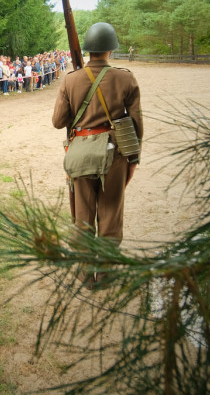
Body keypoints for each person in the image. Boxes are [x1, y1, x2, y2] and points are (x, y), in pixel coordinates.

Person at [52, 22, 143, 274]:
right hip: (115, 155)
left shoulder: (71, 79)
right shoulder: (125, 78)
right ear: (110, 50)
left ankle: (84, 272)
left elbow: (58, 121)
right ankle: (105, 272)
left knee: (82, 218)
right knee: (110, 215)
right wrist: (134, 160)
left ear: (88, 49)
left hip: (79, 154)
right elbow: (136, 124)